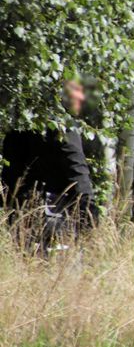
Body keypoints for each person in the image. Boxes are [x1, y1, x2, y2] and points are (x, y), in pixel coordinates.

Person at [2, 79, 96, 253]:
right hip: (55, 218)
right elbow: (77, 172)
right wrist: (92, 216)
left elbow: (8, 177)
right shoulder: (62, 128)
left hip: (21, 216)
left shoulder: (19, 124)